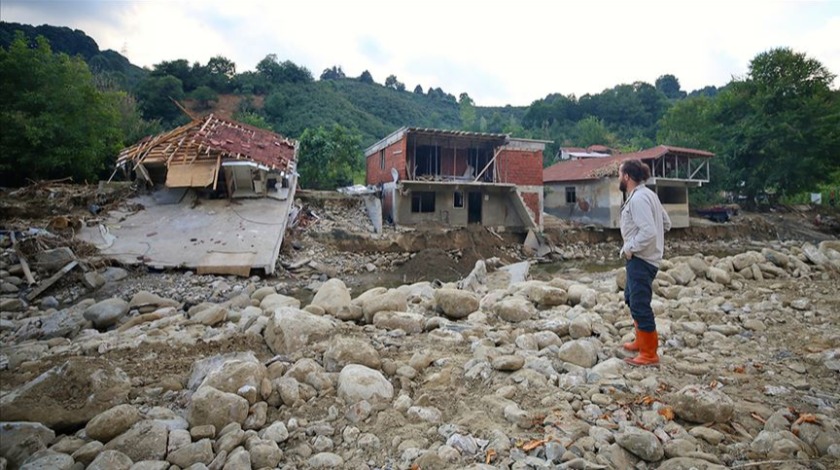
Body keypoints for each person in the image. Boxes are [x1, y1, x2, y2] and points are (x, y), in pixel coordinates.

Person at [618, 159, 671, 366]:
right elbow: (666, 224)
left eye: (619, 174)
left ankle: (650, 354)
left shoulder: (639, 199)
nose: (618, 178)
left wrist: (630, 247)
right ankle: (641, 341)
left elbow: (649, 231)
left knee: (640, 304)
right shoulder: (649, 195)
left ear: (627, 177)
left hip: (641, 259)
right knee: (631, 298)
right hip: (645, 258)